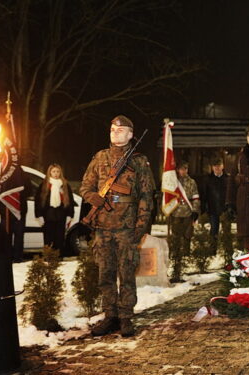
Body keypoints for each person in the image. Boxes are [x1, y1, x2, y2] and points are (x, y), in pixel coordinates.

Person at [80, 115, 154, 337]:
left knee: (127, 273)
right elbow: (85, 186)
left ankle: (126, 317)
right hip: (102, 227)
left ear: (131, 134)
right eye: (113, 129)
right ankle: (110, 315)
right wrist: (92, 197)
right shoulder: (100, 158)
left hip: (126, 227)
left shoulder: (139, 161)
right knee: (105, 273)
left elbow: (146, 196)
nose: (115, 133)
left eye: (121, 130)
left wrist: (140, 226)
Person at [168, 161, 200, 282]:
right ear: (177, 170)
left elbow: (195, 197)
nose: (183, 171)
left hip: (187, 212)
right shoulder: (173, 182)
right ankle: (175, 255)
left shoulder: (192, 182)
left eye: (185, 169)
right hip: (176, 213)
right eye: (181, 169)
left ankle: (186, 255)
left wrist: (195, 210)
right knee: (175, 235)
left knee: (187, 235)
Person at [35, 163, 76, 257]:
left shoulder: (65, 185)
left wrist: (70, 215)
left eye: (58, 171)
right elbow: (38, 201)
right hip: (48, 214)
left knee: (60, 237)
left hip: (61, 214)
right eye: (53, 171)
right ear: (49, 172)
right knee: (48, 237)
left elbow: (70, 200)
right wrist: (39, 215)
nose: (56, 173)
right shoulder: (44, 184)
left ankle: (58, 257)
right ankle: (48, 256)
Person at [200, 158, 231, 250]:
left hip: (226, 210)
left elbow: (231, 194)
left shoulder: (228, 179)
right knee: (214, 231)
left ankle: (228, 251)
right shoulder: (207, 180)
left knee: (227, 232)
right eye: (215, 166)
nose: (217, 168)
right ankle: (212, 251)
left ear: (222, 166)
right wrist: (204, 209)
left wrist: (231, 207)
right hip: (212, 209)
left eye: (219, 166)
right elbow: (204, 195)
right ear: (212, 167)